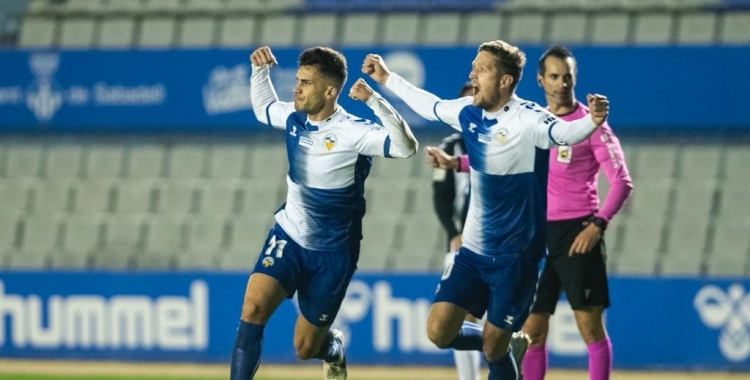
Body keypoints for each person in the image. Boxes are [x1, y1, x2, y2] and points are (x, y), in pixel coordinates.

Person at [362, 40, 610, 380]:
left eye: (480, 69)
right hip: (473, 252)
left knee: (493, 348)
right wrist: (387, 78)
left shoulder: (530, 119)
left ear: (505, 81)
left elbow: (565, 133)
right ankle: (509, 345)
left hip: (516, 257)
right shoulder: (468, 111)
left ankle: (504, 348)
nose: (472, 74)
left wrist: (592, 122)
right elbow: (430, 104)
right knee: (438, 331)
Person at [424, 46, 633, 380]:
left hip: (577, 232)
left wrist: (598, 223)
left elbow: (622, 181)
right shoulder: (527, 123)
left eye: (567, 76)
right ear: (540, 80)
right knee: (532, 331)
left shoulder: (587, 128)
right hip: (535, 233)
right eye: (554, 76)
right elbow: (498, 162)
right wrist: (456, 164)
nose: (562, 83)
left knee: (589, 328)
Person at [231, 46, 418, 380]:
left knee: (305, 348)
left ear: (330, 91)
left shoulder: (353, 131)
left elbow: (406, 148)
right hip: (289, 235)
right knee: (253, 308)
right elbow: (264, 109)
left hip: (333, 253)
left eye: (305, 83)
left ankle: (332, 348)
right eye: (297, 80)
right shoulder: (294, 117)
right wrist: (259, 72)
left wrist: (376, 101)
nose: (296, 88)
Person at [432, 83, 479, 380]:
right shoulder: (450, 146)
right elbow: (440, 195)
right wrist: (453, 232)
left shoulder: (503, 139)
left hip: (497, 241)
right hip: (463, 242)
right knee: (460, 315)